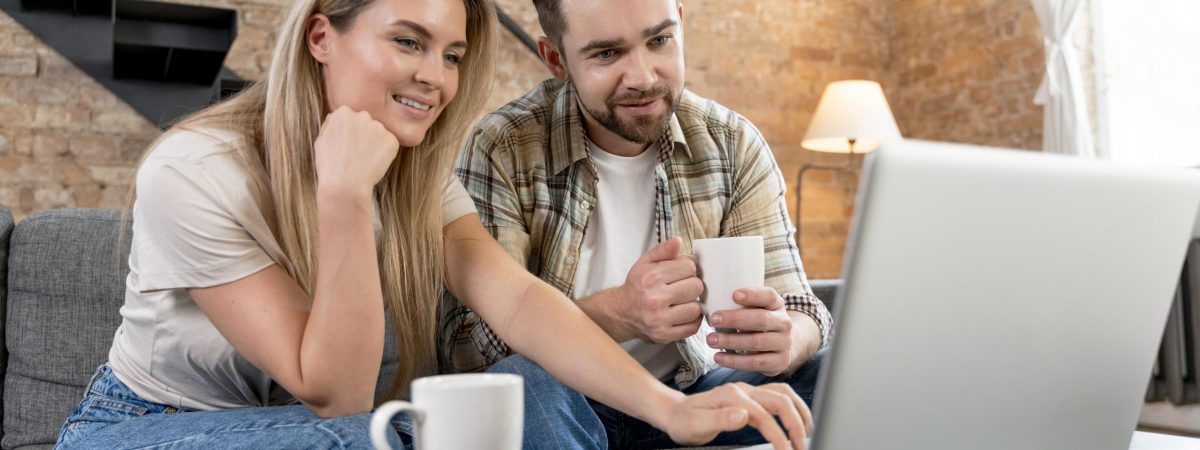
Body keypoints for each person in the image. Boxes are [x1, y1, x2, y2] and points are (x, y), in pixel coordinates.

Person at [53, 0, 811, 448]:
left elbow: (514, 299)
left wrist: (674, 409)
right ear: (323, 39)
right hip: (150, 426)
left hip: (310, 428)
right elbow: (339, 397)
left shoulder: (418, 169)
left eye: (450, 54)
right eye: (407, 41)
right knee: (401, 435)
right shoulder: (193, 170)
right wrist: (344, 197)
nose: (435, 77)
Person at [442, 0, 833, 448]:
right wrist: (621, 314)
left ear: (680, 26)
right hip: (568, 406)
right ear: (556, 59)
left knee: (841, 372)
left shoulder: (731, 143)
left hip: (692, 392)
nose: (644, 77)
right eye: (607, 54)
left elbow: (802, 306)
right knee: (524, 384)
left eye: (659, 40)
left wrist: (789, 337)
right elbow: (468, 353)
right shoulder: (503, 145)